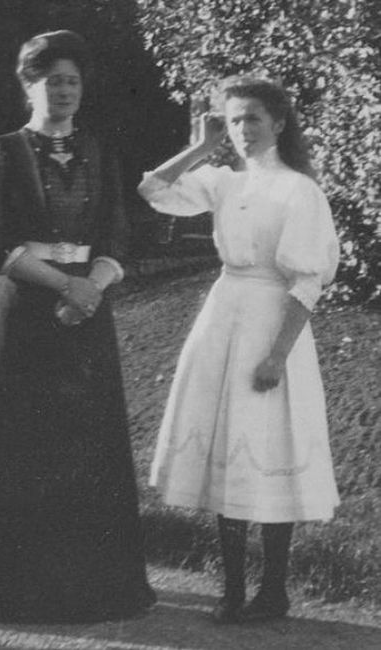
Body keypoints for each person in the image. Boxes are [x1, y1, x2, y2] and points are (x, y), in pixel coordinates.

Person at [0, 30, 156, 623]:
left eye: (72, 80)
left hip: (85, 312)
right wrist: (65, 285)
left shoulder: (101, 151)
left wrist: (92, 287)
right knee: (17, 446)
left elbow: (115, 234)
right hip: (24, 310)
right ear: (29, 84)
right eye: (52, 79)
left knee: (81, 447)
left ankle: (87, 590)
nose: (63, 90)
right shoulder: (2, 153)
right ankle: (7, 591)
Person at [138, 76, 340, 623]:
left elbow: (306, 281)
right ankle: (231, 589)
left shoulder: (300, 190)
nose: (243, 130)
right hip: (223, 317)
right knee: (227, 444)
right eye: (233, 120)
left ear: (278, 123)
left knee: (270, 449)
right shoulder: (223, 181)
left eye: (253, 118)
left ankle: (273, 589)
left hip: (272, 324)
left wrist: (277, 354)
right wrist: (203, 148)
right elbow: (153, 190)